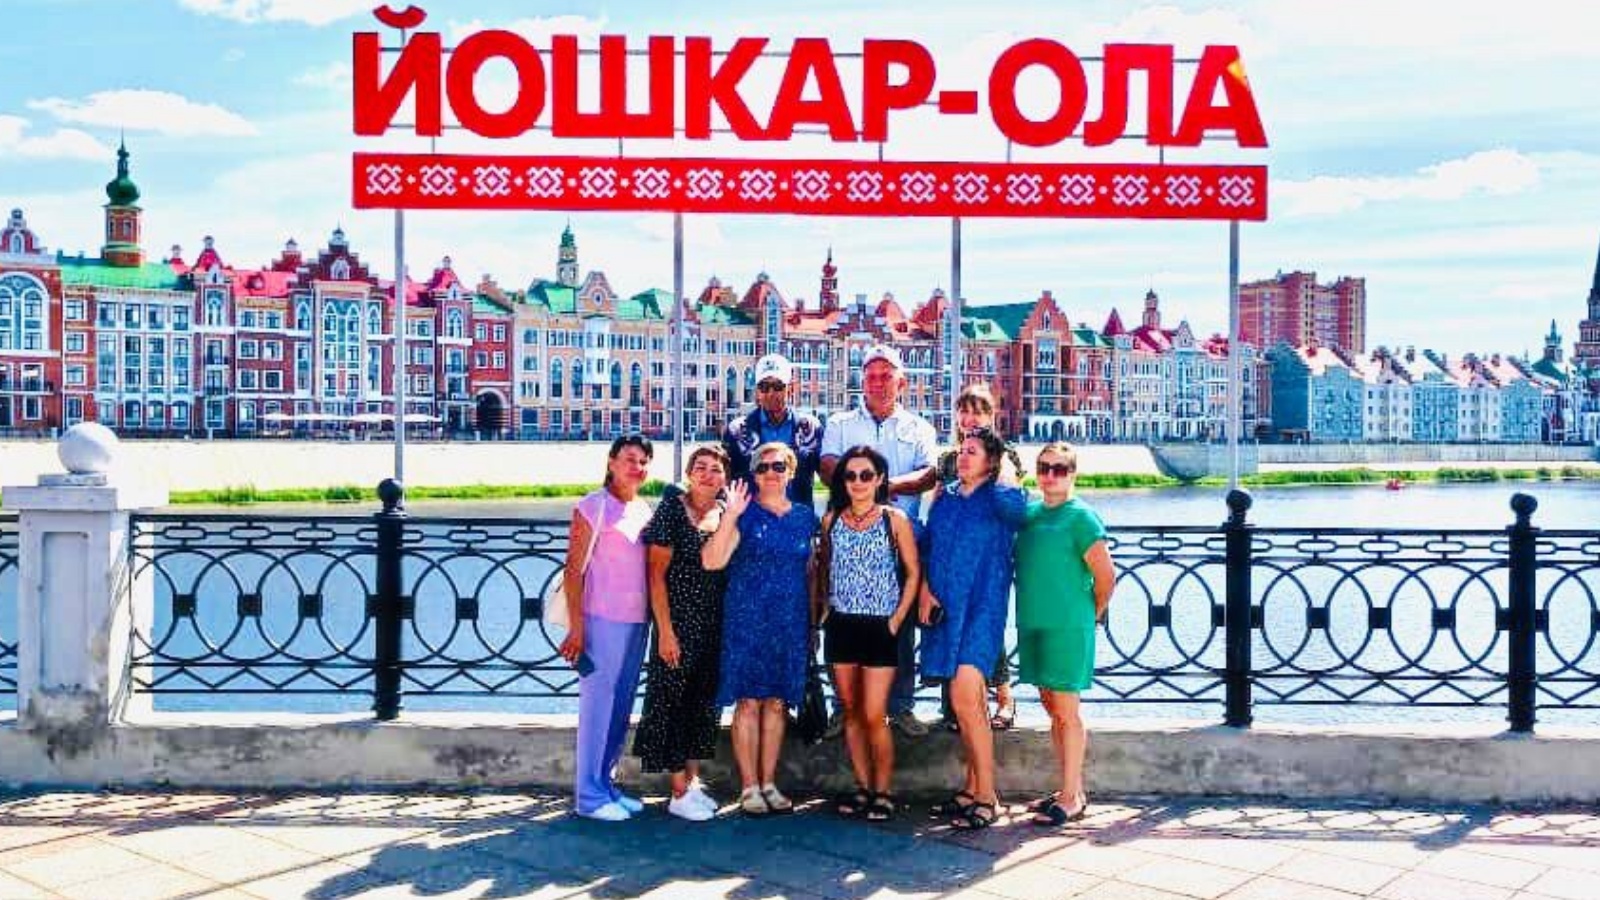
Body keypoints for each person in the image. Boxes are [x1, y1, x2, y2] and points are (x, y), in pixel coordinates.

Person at [819, 344, 939, 738]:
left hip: (900, 539)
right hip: (848, 538)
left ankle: (900, 706)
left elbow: (928, 475)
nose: (878, 382)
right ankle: (843, 707)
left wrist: (880, 489)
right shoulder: (839, 423)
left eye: (887, 375)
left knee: (899, 625)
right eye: (871, 375)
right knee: (841, 618)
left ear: (901, 382)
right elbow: (828, 466)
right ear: (862, 381)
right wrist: (868, 494)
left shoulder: (920, 428)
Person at [703, 441, 819, 815]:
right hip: (747, 617)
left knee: (777, 702)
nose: (771, 473)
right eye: (763, 467)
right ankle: (749, 786)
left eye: (778, 466)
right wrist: (731, 516)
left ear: (791, 471)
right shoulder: (743, 513)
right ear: (753, 475)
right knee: (749, 701)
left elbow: (812, 571)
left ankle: (769, 783)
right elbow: (712, 561)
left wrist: (813, 622)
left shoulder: (804, 517)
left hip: (790, 619)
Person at [919, 428, 1028, 829]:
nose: (963, 457)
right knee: (965, 703)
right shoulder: (946, 497)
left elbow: (1019, 514)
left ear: (991, 461)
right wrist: (924, 591)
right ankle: (971, 787)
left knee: (967, 696)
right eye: (961, 450)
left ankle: (988, 797)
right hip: (945, 611)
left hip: (983, 609)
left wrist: (1006, 472)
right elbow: (928, 546)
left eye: (974, 452)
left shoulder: (1000, 498)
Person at [1013, 442, 1116, 826]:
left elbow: (1106, 578)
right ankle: (1067, 789)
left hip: (1069, 625)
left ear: (1072, 474)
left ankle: (1072, 798)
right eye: (1044, 468)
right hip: (1033, 621)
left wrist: (1090, 616)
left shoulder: (1082, 517)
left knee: (1067, 712)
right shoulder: (1029, 514)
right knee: (1052, 709)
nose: (1050, 476)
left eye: (1059, 469)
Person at [817, 445, 921, 822]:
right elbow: (825, 568)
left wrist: (896, 620)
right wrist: (824, 610)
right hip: (842, 626)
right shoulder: (831, 520)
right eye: (850, 475)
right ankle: (862, 787)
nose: (858, 482)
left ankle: (883, 791)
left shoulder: (895, 519)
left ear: (879, 479)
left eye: (866, 475)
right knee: (851, 712)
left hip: (880, 627)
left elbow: (913, 572)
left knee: (875, 714)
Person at [632, 445, 732, 822]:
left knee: (702, 706)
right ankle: (676, 791)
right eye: (700, 467)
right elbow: (655, 575)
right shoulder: (672, 509)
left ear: (724, 478)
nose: (708, 474)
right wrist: (666, 633)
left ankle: (690, 783)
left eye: (715, 469)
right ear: (689, 474)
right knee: (672, 703)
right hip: (677, 622)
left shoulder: (726, 512)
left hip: (714, 624)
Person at [560, 434, 656, 822]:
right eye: (630, 459)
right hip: (601, 620)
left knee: (620, 707)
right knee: (598, 707)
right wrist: (577, 628)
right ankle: (588, 797)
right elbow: (573, 571)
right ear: (612, 462)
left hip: (637, 621)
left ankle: (606, 786)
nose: (637, 467)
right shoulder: (592, 506)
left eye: (643, 461)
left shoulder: (643, 508)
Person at [933, 383, 1026, 733]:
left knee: (985, 629)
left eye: (978, 412)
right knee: (953, 625)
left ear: (991, 417)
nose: (970, 418)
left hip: (987, 558)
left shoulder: (1004, 455)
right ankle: (958, 706)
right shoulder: (949, 459)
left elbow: (1011, 500)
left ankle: (1004, 697)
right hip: (954, 558)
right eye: (964, 411)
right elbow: (939, 499)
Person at [722, 353, 823, 508]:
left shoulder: (811, 428)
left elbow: (828, 475)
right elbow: (724, 480)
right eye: (764, 387)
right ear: (757, 391)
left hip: (799, 517)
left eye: (778, 386)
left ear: (791, 388)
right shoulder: (736, 431)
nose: (771, 393)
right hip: (752, 518)